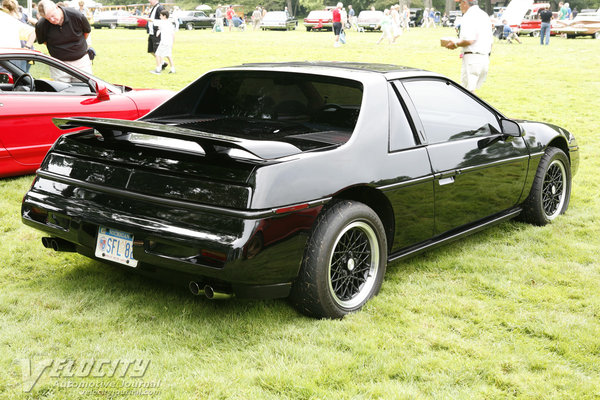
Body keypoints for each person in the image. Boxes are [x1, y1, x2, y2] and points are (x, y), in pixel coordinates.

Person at [444, 0, 493, 93]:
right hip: (484, 57)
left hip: (472, 57)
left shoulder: (468, 16)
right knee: (471, 90)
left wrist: (455, 44)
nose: (459, 5)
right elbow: (490, 40)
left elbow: (469, 40)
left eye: (460, 3)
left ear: (465, 3)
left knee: (468, 93)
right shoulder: (484, 15)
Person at [35, 0, 91, 82]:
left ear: (57, 7)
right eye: (48, 18)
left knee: (84, 90)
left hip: (81, 62)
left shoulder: (76, 15)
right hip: (58, 65)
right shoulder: (41, 25)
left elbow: (86, 32)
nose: (52, 20)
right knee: (61, 92)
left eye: (53, 16)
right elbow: (43, 41)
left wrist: (77, 46)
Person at [148, 10, 175, 74]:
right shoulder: (169, 23)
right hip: (169, 42)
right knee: (169, 55)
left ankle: (158, 70)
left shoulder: (162, 22)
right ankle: (173, 69)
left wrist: (139, 17)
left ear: (164, 16)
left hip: (164, 42)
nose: (159, 17)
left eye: (160, 15)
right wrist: (172, 43)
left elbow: (150, 20)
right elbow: (173, 34)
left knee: (157, 54)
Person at [146, 0, 165, 69]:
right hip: (151, 32)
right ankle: (162, 63)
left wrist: (159, 30)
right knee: (151, 50)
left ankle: (159, 67)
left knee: (157, 51)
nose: (149, 1)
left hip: (157, 33)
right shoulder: (154, 7)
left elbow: (164, 20)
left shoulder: (160, 7)